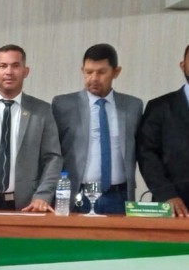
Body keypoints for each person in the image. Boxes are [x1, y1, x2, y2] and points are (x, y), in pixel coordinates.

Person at [0, 44, 63, 211]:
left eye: (15, 66)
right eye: (3, 66)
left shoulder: (41, 111)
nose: (9, 71)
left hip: (28, 203)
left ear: (26, 71)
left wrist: (43, 196)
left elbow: (53, 157)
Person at [52, 44, 143, 214]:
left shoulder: (132, 106)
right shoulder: (63, 105)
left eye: (101, 72)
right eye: (88, 72)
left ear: (116, 72)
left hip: (118, 196)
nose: (94, 78)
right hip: (77, 195)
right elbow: (52, 152)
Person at [137, 44, 189, 217]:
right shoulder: (159, 107)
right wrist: (167, 194)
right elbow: (146, 154)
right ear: (183, 65)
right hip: (173, 205)